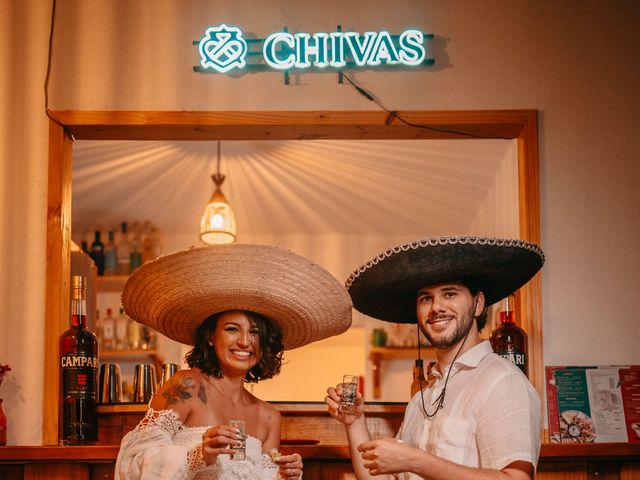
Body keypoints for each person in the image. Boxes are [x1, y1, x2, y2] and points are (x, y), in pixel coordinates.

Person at [115, 243, 352, 480]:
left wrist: (284, 475)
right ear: (210, 336)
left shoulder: (269, 416)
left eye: (255, 332)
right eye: (232, 329)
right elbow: (134, 459)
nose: (244, 342)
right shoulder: (187, 386)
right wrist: (198, 455)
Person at [325, 236, 545, 480]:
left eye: (449, 294)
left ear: (478, 303)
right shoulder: (422, 399)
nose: (435, 308)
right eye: (425, 298)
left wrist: (414, 459)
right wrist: (355, 422)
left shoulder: (502, 381)